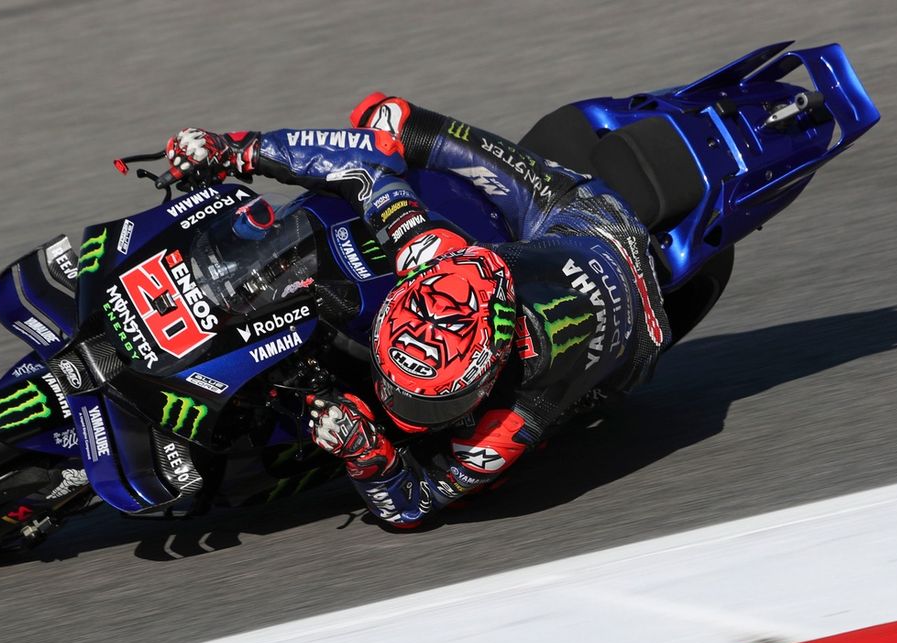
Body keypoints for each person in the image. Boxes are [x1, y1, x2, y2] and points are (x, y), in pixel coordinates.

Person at [164, 93, 671, 528]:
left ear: (494, 368)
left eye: (433, 404)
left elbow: (414, 504)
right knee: (386, 118)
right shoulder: (431, 256)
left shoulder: (512, 418)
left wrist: (368, 454)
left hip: (621, 284)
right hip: (567, 239)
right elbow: (364, 167)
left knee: (508, 468)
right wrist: (240, 150)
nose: (403, 411)